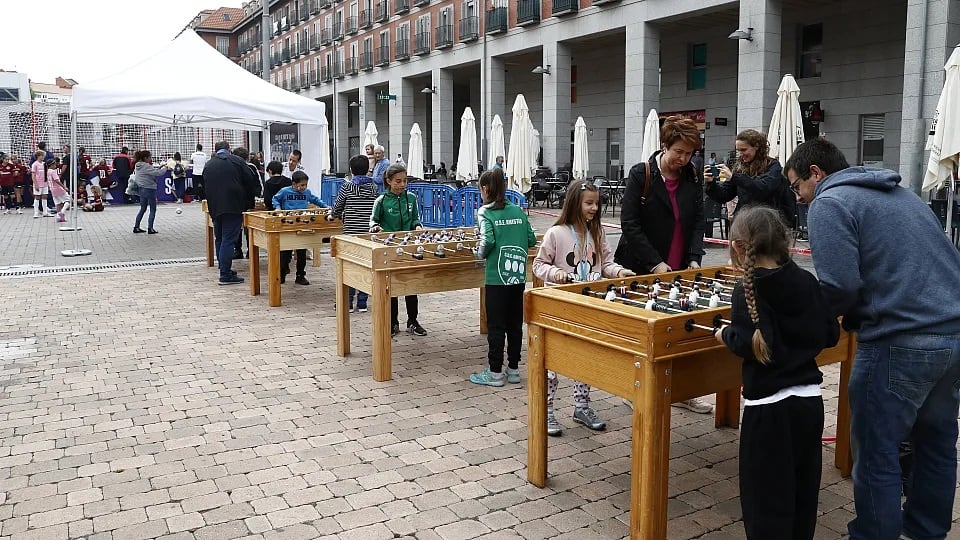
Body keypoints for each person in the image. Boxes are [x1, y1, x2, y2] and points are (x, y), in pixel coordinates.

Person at [784, 138, 960, 540]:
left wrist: (800, 322)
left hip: (899, 340)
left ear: (816, 173)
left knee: (877, 451)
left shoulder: (830, 202)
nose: (800, 199)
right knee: (936, 446)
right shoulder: (904, 195)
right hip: (953, 334)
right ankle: (925, 532)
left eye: (797, 187)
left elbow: (840, 287)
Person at [713, 206, 839, 539]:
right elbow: (829, 334)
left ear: (738, 246)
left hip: (767, 409)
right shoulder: (806, 280)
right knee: (802, 493)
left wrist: (723, 334)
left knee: (764, 502)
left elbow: (745, 342)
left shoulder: (748, 289)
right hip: (809, 403)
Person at [613, 116, 709, 413]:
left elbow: (697, 221)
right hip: (643, 265)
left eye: (689, 153)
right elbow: (629, 224)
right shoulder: (641, 174)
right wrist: (655, 263)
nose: (683, 158)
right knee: (643, 332)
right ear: (664, 146)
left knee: (682, 330)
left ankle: (683, 391)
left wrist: (694, 256)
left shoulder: (692, 175)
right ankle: (634, 387)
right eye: (678, 151)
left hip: (680, 264)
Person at [533, 179, 635, 435]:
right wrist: (555, 273)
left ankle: (582, 406)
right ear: (574, 203)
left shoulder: (598, 233)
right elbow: (538, 265)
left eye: (596, 203)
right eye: (589, 203)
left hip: (589, 306)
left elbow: (606, 265)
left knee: (586, 358)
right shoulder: (556, 233)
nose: (594, 208)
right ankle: (546, 410)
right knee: (552, 363)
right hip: (558, 308)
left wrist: (620, 271)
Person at [468, 169, 538, 387]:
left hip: (496, 276)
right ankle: (514, 370)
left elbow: (487, 241)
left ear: (485, 189)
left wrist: (477, 254)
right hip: (517, 276)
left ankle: (495, 372)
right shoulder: (518, 210)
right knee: (515, 325)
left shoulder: (485, 212)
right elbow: (531, 239)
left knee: (496, 325)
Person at [369, 164, 427, 336]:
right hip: (389, 248)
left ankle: (413, 321)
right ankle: (392, 322)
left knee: (411, 285)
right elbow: (373, 221)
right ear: (388, 181)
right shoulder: (381, 200)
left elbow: (416, 219)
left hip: (409, 247)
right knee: (391, 287)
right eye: (398, 181)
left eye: (404, 181)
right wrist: (375, 228)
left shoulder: (411, 198)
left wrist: (417, 226)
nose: (402, 185)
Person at [705, 129, 794, 226]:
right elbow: (725, 195)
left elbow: (764, 187)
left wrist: (734, 178)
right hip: (744, 222)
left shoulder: (772, 165)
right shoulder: (739, 167)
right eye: (738, 150)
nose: (741, 154)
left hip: (768, 223)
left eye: (744, 150)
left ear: (756, 146)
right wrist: (711, 183)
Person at [204, 140, 259, 285]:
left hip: (215, 207)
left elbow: (205, 186)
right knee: (229, 240)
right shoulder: (237, 161)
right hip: (233, 206)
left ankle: (224, 267)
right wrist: (249, 203)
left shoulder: (209, 164)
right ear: (228, 149)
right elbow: (250, 183)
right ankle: (225, 274)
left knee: (220, 239)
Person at [329, 154, 380, 311]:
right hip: (368, 233)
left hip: (351, 233)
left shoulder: (347, 186)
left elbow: (338, 206)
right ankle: (363, 303)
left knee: (349, 267)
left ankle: (348, 302)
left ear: (351, 169)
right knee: (366, 266)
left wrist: (333, 215)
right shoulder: (374, 187)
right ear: (367, 170)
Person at [272, 170, 326, 285]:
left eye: (305, 185)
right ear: (294, 184)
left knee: (302, 252)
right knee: (285, 253)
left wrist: (326, 207)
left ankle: (300, 275)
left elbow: (315, 200)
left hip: (303, 225)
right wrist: (277, 208)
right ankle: (282, 273)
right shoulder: (285, 191)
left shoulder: (307, 192)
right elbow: (275, 199)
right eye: (301, 185)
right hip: (288, 225)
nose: (304, 187)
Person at [232, 147, 262, 259]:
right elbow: (259, 184)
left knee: (243, 227)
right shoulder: (248, 167)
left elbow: (258, 183)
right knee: (243, 228)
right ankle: (244, 250)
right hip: (245, 202)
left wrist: (256, 195)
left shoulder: (250, 167)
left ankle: (244, 250)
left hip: (243, 202)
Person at [131, 150, 167, 234]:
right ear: (145, 158)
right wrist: (165, 168)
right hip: (150, 188)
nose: (150, 159)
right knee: (152, 209)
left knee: (142, 208)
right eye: (150, 157)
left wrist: (159, 167)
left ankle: (136, 227)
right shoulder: (146, 166)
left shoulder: (138, 165)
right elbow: (158, 173)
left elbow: (150, 172)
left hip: (141, 189)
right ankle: (150, 228)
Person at [30, 151, 52, 218]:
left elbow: (47, 174)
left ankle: (45, 212)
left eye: (43, 155)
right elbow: (33, 175)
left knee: (45, 197)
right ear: (38, 156)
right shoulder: (35, 164)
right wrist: (35, 184)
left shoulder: (45, 164)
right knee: (37, 197)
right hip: (38, 183)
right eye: (41, 155)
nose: (43, 157)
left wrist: (48, 183)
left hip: (45, 183)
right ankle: (36, 212)